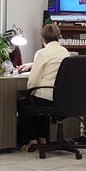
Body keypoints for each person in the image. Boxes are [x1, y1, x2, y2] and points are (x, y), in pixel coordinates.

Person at [16, 23, 68, 151]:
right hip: (61, 98)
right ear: (58, 36)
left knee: (25, 103)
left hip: (47, 96)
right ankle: (43, 139)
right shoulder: (65, 52)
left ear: (42, 38)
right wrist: (32, 64)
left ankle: (32, 141)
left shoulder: (42, 53)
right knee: (40, 105)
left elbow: (33, 81)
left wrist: (30, 92)